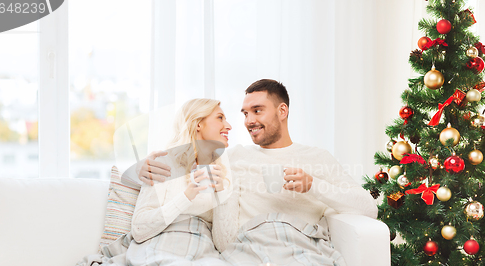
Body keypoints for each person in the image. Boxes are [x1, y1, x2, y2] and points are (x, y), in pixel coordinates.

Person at [138, 79, 378, 252]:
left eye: (257, 111)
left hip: (301, 249)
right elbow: (189, 160)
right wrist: (145, 167)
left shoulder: (317, 158)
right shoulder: (233, 158)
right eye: (244, 113)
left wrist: (313, 185)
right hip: (249, 251)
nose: (248, 121)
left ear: (282, 111)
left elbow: (368, 209)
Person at [131, 98, 232, 246]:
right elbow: (139, 231)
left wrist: (220, 193)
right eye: (220, 118)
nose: (228, 126)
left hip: (201, 251)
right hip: (161, 246)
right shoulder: (163, 164)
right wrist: (186, 196)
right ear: (198, 124)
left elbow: (225, 246)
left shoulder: (222, 171)